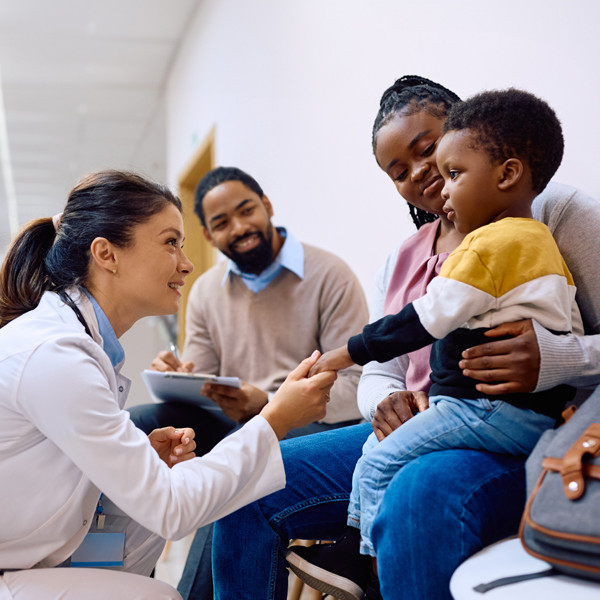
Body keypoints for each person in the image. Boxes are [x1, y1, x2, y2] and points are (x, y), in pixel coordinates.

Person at [211, 76, 600, 600]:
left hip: (523, 427)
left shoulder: (552, 213)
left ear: (469, 132)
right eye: (399, 172)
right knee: (246, 480)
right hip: (422, 424)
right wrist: (385, 401)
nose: (421, 173)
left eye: (431, 150)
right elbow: (379, 370)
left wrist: (552, 359)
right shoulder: (402, 260)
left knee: (417, 493)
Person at [0, 170, 336, 600]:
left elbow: (126, 537)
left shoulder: (79, 346)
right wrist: (274, 419)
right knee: (160, 596)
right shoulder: (56, 355)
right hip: (15, 565)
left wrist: (139, 473)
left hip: (25, 556)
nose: (187, 262)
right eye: (170, 242)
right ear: (106, 254)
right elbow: (171, 510)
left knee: (141, 563)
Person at [128, 166, 367, 599]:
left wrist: (269, 403)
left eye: (246, 211)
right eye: (221, 224)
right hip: (232, 419)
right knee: (139, 423)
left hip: (306, 422)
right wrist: (182, 376)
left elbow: (353, 388)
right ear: (208, 233)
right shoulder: (204, 292)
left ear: (267, 207)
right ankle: (124, 578)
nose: (239, 228)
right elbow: (206, 378)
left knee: (239, 463)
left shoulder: (330, 274)